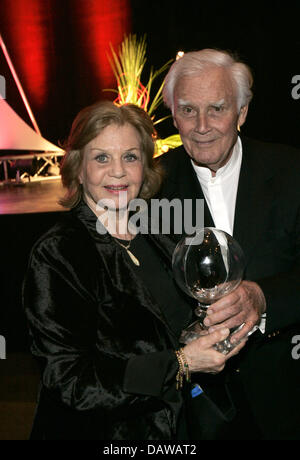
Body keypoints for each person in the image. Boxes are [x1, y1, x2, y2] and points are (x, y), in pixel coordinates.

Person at [22, 100, 246, 441]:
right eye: (101, 158)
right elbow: (69, 381)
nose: (118, 171)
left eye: (130, 156)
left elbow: (166, 329)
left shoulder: (162, 235)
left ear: (145, 166)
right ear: (79, 169)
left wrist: (206, 331)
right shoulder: (60, 253)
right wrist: (182, 364)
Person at [158, 48, 300, 439]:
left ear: (241, 113)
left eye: (217, 108)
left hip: (285, 394)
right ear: (174, 115)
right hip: (192, 410)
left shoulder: (291, 171)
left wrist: (264, 298)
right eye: (188, 110)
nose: (202, 125)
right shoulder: (151, 188)